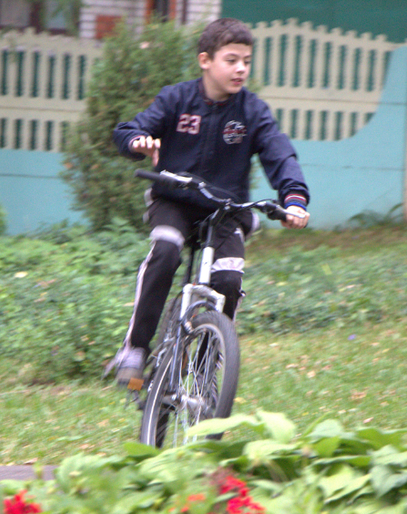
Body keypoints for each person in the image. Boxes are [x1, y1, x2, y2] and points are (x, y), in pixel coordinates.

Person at [111, 17, 311, 388]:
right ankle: (135, 349)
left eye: (246, 61)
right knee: (166, 250)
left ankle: (208, 363)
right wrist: (138, 141)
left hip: (225, 211)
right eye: (231, 60)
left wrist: (294, 199)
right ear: (205, 60)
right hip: (174, 201)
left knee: (229, 279)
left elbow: (279, 154)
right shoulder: (176, 99)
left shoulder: (252, 111)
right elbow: (129, 130)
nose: (241, 69)